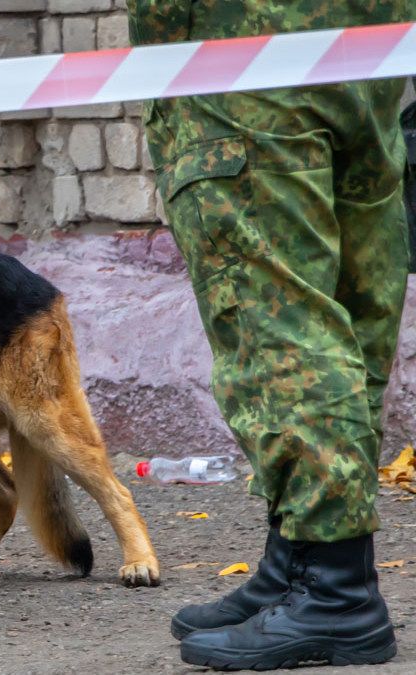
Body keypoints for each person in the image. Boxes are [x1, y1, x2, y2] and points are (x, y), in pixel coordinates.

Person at [127, 1, 409, 669]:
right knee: (349, 302)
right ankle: (302, 557)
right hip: (369, 26)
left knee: (278, 318)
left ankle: (337, 591)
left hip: (244, 40)